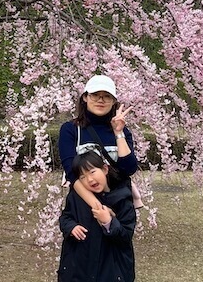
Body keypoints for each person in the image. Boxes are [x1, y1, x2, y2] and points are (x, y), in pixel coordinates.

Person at [58, 74, 143, 211]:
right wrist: (98, 207)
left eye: (106, 96)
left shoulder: (122, 131)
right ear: (85, 97)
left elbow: (128, 169)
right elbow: (72, 174)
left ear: (113, 101)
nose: (100, 100)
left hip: (119, 204)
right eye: (95, 95)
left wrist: (118, 134)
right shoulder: (71, 129)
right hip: (84, 205)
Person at [57, 150, 136, 282]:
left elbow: (126, 236)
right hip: (79, 266)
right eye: (82, 177)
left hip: (111, 268)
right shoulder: (77, 197)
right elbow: (65, 217)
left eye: (92, 172)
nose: (90, 179)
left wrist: (109, 222)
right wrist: (71, 227)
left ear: (105, 169)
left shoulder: (123, 200)